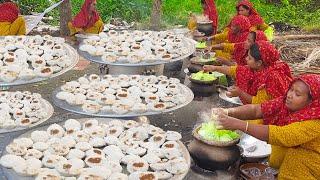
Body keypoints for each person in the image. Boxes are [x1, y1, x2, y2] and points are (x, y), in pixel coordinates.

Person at [214, 74, 320, 179]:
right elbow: (257, 110)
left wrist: (239, 124)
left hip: (303, 171)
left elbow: (283, 135)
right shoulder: (285, 103)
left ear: (312, 101)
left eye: (297, 94)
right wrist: (228, 111)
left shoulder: (315, 123)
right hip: (281, 164)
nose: (289, 95)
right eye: (291, 89)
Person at [203, 41, 292, 104]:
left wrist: (240, 93)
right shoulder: (256, 68)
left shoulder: (271, 78)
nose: (246, 59)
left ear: (259, 63)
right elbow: (235, 70)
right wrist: (214, 68)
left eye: (249, 58)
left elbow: (259, 105)